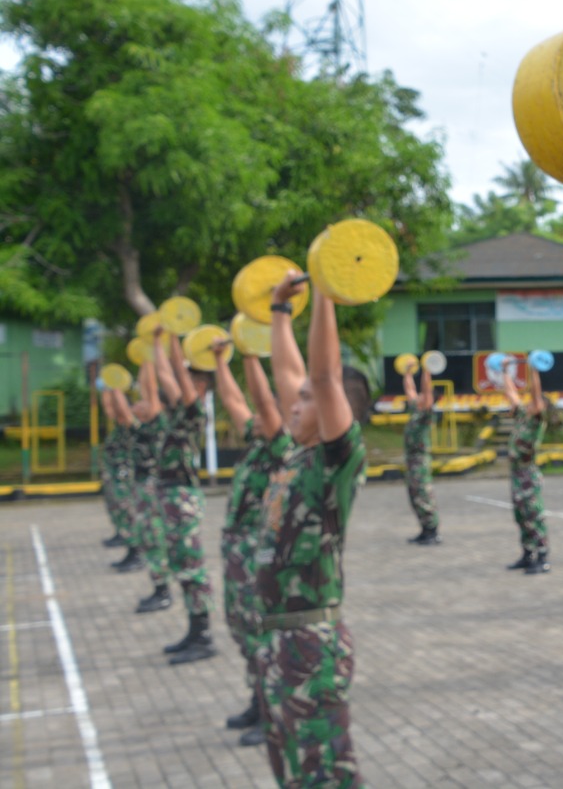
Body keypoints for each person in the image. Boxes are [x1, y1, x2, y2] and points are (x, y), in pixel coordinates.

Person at [255, 272, 367, 787]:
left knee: (327, 775)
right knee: (293, 772)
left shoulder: (333, 464)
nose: (292, 404)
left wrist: (325, 286)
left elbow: (322, 377)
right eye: (293, 399)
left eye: (304, 400)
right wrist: (279, 312)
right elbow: (290, 372)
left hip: (310, 644)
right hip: (275, 642)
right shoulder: (293, 456)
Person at [211, 340, 293, 747]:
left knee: (261, 633)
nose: (255, 417)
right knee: (240, 628)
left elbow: (259, 398)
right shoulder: (258, 442)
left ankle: (272, 712)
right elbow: (231, 398)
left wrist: (248, 353)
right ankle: (257, 699)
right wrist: (219, 362)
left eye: (264, 413)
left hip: (259, 555)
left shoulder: (281, 446)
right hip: (236, 552)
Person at [148, 327, 218, 665]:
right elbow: (166, 372)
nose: (179, 384)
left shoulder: (194, 413)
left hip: (182, 497)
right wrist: (158, 342)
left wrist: (176, 337)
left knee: (191, 567)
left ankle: (203, 634)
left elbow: (175, 371)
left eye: (189, 380)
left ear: (200, 387)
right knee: (180, 564)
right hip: (170, 496)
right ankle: (193, 630)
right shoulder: (177, 413)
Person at [126, 359, 176, 612]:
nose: (137, 404)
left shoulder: (160, 424)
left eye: (142, 401)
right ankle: (159, 588)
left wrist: (148, 354)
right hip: (145, 488)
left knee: (155, 540)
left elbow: (149, 388)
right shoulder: (145, 426)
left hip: (154, 490)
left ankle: (164, 592)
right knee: (147, 539)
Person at [501, 357, 550, 574]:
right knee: (520, 515)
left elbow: (535, 393)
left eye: (534, 402)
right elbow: (511, 393)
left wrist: (533, 371)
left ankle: (542, 556)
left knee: (534, 515)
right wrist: (504, 372)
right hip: (517, 474)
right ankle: (527, 553)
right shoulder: (522, 415)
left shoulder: (537, 419)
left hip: (529, 475)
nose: (529, 403)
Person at [403, 359, 440, 545]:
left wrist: (426, 370)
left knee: (423, 494)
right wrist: (408, 373)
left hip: (420, 460)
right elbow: (410, 390)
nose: (418, 397)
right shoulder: (414, 411)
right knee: (414, 495)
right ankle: (424, 529)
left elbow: (427, 392)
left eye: (422, 398)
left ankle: (432, 530)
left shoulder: (426, 415)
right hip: (411, 460)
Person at [98, 389, 129, 548]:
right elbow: (108, 408)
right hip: (113, 474)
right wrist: (106, 390)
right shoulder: (117, 427)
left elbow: (113, 409)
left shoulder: (127, 424)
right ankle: (120, 532)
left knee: (123, 505)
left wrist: (114, 387)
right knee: (114, 506)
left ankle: (126, 534)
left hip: (122, 474)